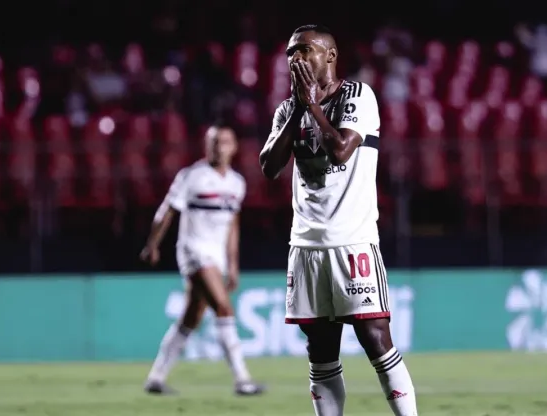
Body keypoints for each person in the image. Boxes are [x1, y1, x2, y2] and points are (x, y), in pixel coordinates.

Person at [259, 25, 419, 416]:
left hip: (353, 240)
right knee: (321, 350)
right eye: (291, 53)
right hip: (307, 245)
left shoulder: (358, 96)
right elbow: (269, 166)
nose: (296, 59)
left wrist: (312, 105)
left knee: (375, 337)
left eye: (305, 50)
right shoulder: (286, 109)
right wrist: (299, 106)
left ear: (330, 55)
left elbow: (341, 151)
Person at [140, 123, 265, 396]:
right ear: (207, 146)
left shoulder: (236, 183)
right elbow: (167, 211)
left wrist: (232, 264)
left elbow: (233, 225)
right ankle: (242, 379)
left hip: (217, 255)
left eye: (225, 142)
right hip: (193, 251)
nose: (220, 147)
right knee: (223, 306)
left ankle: (156, 378)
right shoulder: (192, 176)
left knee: (191, 317)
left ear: (234, 147)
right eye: (215, 142)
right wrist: (153, 244)